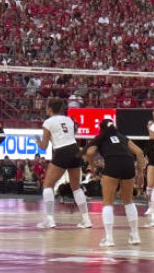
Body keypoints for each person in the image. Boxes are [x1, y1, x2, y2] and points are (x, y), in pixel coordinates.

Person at [84, 119, 145, 247]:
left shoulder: (100, 139)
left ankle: (109, 238)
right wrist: (140, 173)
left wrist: (92, 166)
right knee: (128, 200)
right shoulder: (122, 137)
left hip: (112, 164)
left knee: (107, 201)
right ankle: (135, 235)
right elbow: (139, 153)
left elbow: (89, 153)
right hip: (128, 163)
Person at [36, 97, 91, 229]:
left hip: (62, 151)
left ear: (49, 109)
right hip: (75, 150)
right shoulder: (69, 119)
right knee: (76, 187)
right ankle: (86, 219)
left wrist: (37, 140)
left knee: (48, 185)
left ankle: (49, 219)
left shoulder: (48, 122)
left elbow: (43, 146)